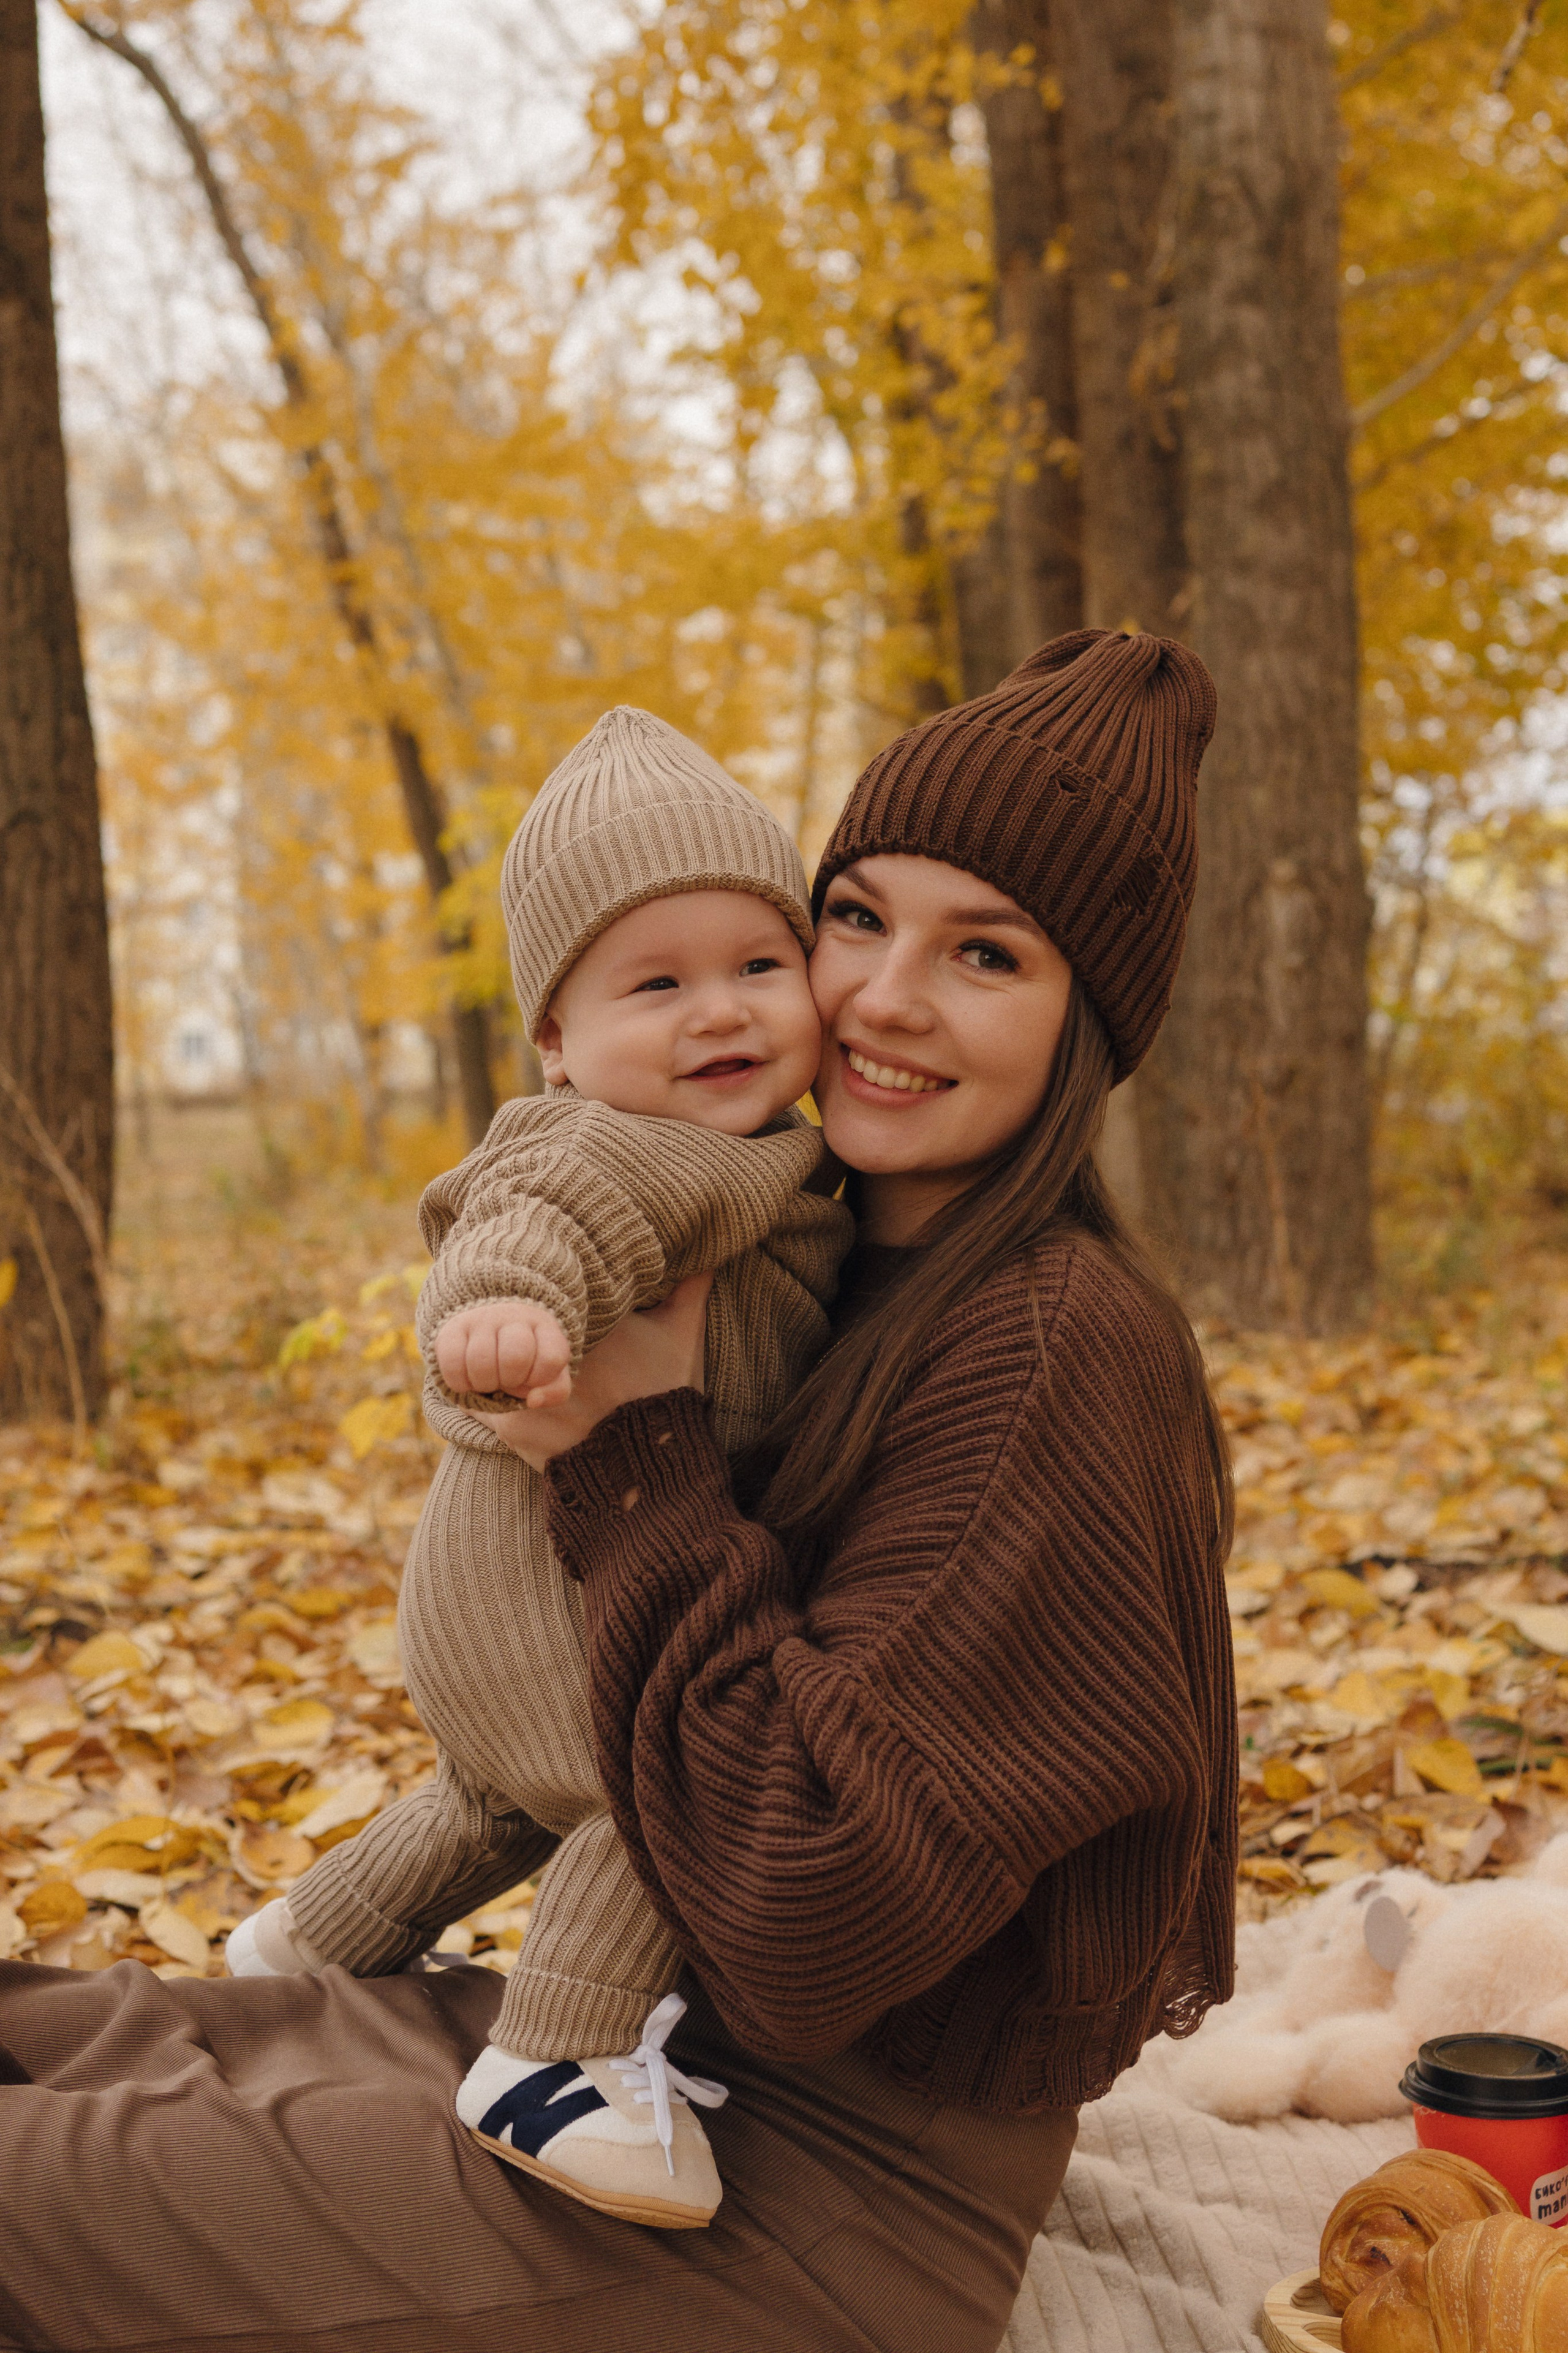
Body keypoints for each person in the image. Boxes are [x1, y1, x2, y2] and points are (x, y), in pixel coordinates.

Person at [0, 629, 1237, 2353]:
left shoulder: (1050, 1349)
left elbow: (809, 1911)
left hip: (840, 2192)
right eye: (860, 916)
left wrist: (632, 1450)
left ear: (1085, 1020)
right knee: (72, 2029)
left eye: (988, 956)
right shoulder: (827, 1252)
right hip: (686, 2037)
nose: (883, 995)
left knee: (39, 2185)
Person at [225, 702, 852, 2229]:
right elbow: (528, 1222)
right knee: (660, 1792)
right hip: (546, 1578)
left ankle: (306, 1944)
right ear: (557, 1040)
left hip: (514, 1594)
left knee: (493, 1800)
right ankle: (553, 2059)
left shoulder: (778, 1154)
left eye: (758, 965)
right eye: (659, 981)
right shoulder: (623, 1146)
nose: (721, 1011)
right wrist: (502, 1315)